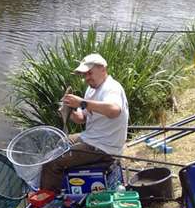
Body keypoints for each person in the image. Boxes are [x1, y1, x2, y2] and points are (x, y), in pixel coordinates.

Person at [40, 53, 129, 192]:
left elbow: (114, 110)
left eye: (90, 73)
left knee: (51, 163)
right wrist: (68, 111)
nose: (87, 78)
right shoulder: (91, 89)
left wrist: (81, 102)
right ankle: (63, 188)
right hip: (91, 138)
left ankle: (48, 202)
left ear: (103, 69)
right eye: (84, 75)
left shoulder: (111, 88)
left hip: (104, 146)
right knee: (59, 142)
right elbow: (82, 118)